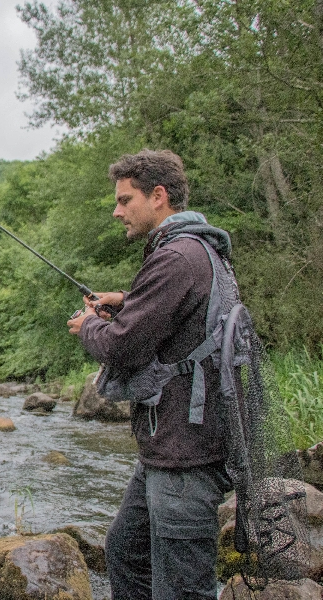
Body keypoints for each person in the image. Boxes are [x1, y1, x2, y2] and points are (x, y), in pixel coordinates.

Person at [66, 149, 235, 599]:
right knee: (126, 551)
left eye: (125, 200)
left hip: (186, 451)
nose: (116, 211)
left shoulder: (177, 257)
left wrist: (89, 327)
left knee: (182, 589)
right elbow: (181, 314)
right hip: (175, 446)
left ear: (158, 196)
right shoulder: (197, 249)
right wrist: (125, 300)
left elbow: (122, 346)